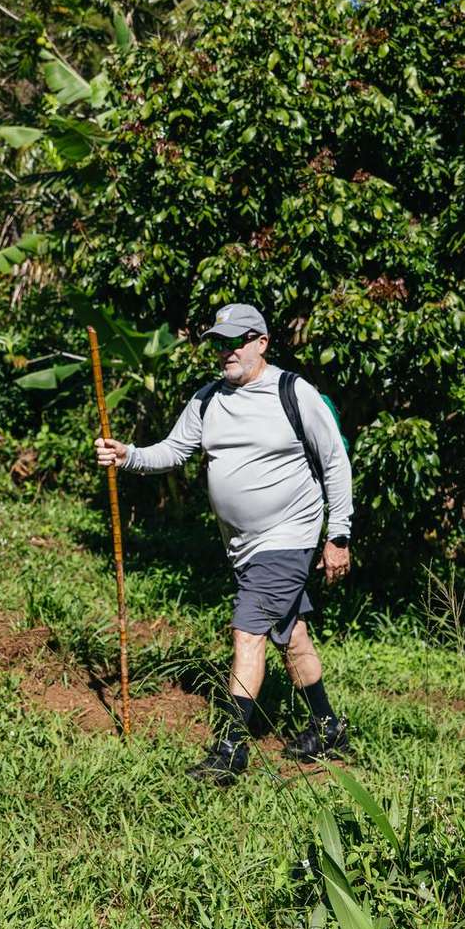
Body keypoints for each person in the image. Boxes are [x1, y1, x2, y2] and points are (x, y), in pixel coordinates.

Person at [93, 303, 354, 784]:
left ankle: (231, 747)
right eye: (220, 341)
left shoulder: (293, 393)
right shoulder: (208, 399)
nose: (227, 350)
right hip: (243, 546)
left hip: (288, 536)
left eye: (237, 339)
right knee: (290, 633)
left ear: (262, 342)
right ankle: (328, 725)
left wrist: (338, 535)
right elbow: (173, 451)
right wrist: (126, 455)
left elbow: (335, 461)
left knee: (248, 632)